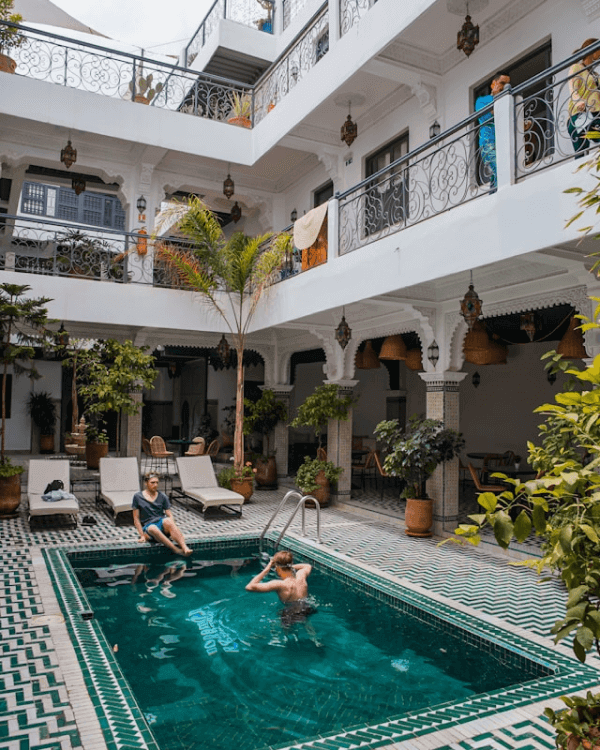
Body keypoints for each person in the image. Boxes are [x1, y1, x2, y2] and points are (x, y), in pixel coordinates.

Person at [245, 550, 315, 625]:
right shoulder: (301, 575)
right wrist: (288, 566)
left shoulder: (280, 584)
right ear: (291, 563)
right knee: (307, 624)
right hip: (307, 609)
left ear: (277, 567)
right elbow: (307, 566)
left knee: (284, 624)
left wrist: (267, 569)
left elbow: (249, 587)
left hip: (290, 614)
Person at [132, 473, 192, 556]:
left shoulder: (162, 496)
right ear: (146, 483)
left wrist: (173, 528)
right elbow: (136, 518)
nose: (155, 485)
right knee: (153, 528)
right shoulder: (137, 497)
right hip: (148, 526)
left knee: (168, 520)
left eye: (157, 482)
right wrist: (142, 535)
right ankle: (176, 550)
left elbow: (169, 514)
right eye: (152, 483)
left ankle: (185, 548)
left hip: (161, 523)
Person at [474, 72, 511, 191]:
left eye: (507, 84)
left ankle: (494, 195)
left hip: (505, 143)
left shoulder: (508, 100)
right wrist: (496, 99)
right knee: (500, 169)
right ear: (493, 84)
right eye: (502, 83)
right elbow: (485, 117)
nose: (505, 87)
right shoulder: (482, 100)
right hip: (489, 142)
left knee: (497, 175)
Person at [568, 39, 600, 156]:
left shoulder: (595, 75)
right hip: (579, 115)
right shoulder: (577, 67)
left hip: (595, 115)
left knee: (593, 140)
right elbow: (573, 88)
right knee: (581, 152)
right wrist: (578, 102)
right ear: (592, 50)